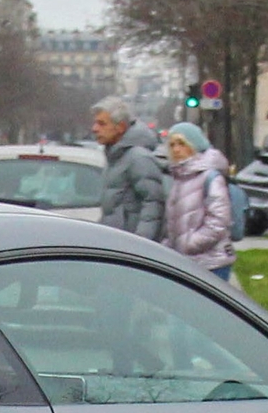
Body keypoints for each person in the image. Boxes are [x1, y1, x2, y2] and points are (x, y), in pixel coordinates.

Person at [160, 122, 235, 282]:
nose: (176, 149)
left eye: (182, 143)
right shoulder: (179, 178)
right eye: (172, 145)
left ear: (194, 145)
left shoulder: (210, 177)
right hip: (188, 262)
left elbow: (219, 222)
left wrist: (188, 244)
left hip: (212, 263)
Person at [91, 96, 166, 239]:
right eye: (95, 123)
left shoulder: (137, 157)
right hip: (119, 242)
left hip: (130, 246)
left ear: (120, 127)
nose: (94, 129)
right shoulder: (115, 157)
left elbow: (153, 203)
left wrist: (142, 243)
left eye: (101, 124)